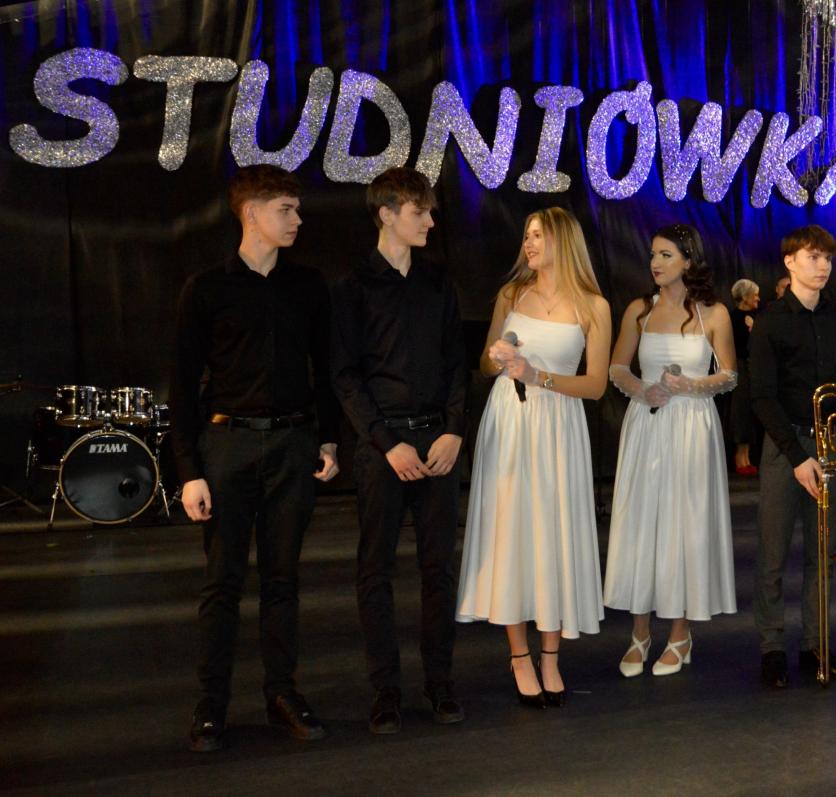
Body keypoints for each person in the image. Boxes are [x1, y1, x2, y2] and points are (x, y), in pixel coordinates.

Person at [171, 165, 341, 752]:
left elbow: (326, 368)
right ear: (250, 214)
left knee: (283, 578)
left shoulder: (308, 286)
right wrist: (189, 472)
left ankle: (281, 693)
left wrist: (329, 440)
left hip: (293, 445)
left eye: (297, 209)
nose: (297, 220)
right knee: (222, 581)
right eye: (285, 210)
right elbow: (181, 385)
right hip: (228, 445)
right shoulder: (207, 289)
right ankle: (211, 703)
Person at [329, 167, 468, 733]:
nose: (430, 221)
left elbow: (457, 363)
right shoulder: (352, 287)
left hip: (438, 442)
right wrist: (387, 443)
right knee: (375, 571)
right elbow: (344, 377)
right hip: (382, 447)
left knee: (439, 569)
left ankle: (440, 683)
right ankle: (385, 690)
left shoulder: (439, 281)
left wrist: (454, 430)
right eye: (419, 212)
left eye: (430, 212)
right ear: (386, 214)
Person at [456, 207, 611, 708]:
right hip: (510, 421)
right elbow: (486, 364)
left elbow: (595, 385)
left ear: (563, 240)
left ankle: (550, 656)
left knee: (552, 532)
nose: (529, 244)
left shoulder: (594, 306)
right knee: (512, 532)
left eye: (538, 235)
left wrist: (536, 375)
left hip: (559, 426)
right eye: (527, 235)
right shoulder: (511, 294)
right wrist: (497, 358)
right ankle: (519, 656)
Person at [605, 224, 739, 678]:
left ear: (688, 260)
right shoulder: (638, 310)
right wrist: (643, 390)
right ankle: (639, 633)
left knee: (685, 524)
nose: (655, 263)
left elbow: (729, 375)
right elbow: (617, 368)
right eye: (653, 255)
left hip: (693, 426)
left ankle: (680, 633)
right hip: (647, 423)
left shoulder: (715, 313)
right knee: (641, 523)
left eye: (665, 255)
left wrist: (690, 386)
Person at [751, 225, 836, 689]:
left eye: (827, 259)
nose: (822, 266)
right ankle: (772, 648)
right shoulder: (771, 320)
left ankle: (816, 645)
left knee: (823, 555)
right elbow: (762, 396)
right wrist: (797, 456)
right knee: (773, 554)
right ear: (789, 262)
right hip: (784, 449)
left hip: (828, 445)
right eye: (813, 257)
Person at [729, 278, 761, 475]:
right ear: (745, 296)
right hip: (740, 368)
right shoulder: (732, 318)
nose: (758, 298)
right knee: (741, 412)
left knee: (751, 412)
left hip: (755, 369)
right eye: (755, 295)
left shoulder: (758, 316)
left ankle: (748, 456)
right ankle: (740, 457)